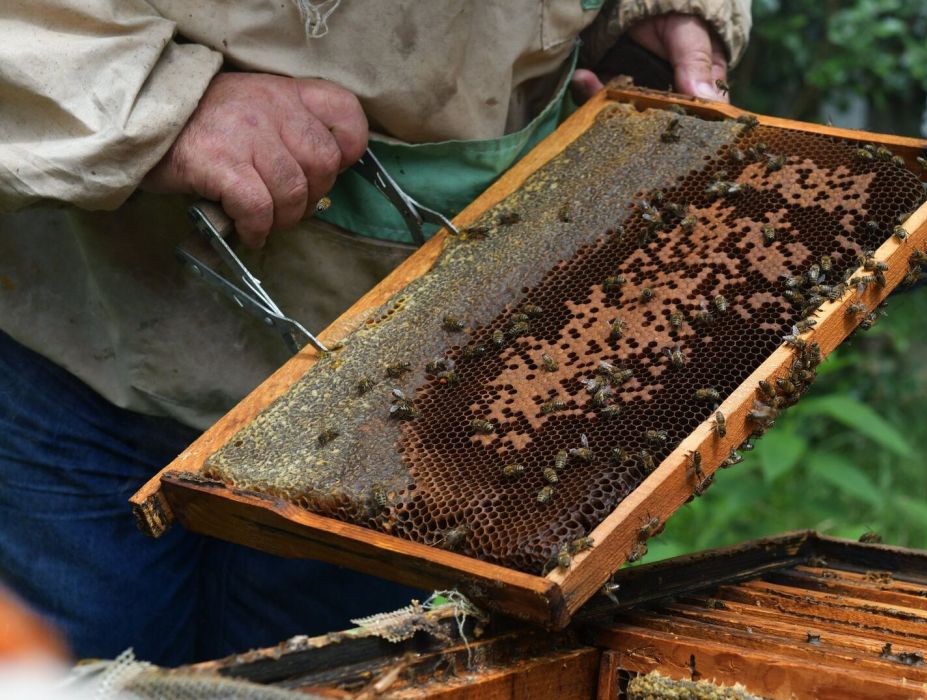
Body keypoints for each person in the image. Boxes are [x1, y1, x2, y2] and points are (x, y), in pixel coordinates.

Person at [0, 1, 752, 666]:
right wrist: (148, 96)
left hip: (417, 391)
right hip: (88, 329)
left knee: (327, 675)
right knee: (83, 674)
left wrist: (654, 12)